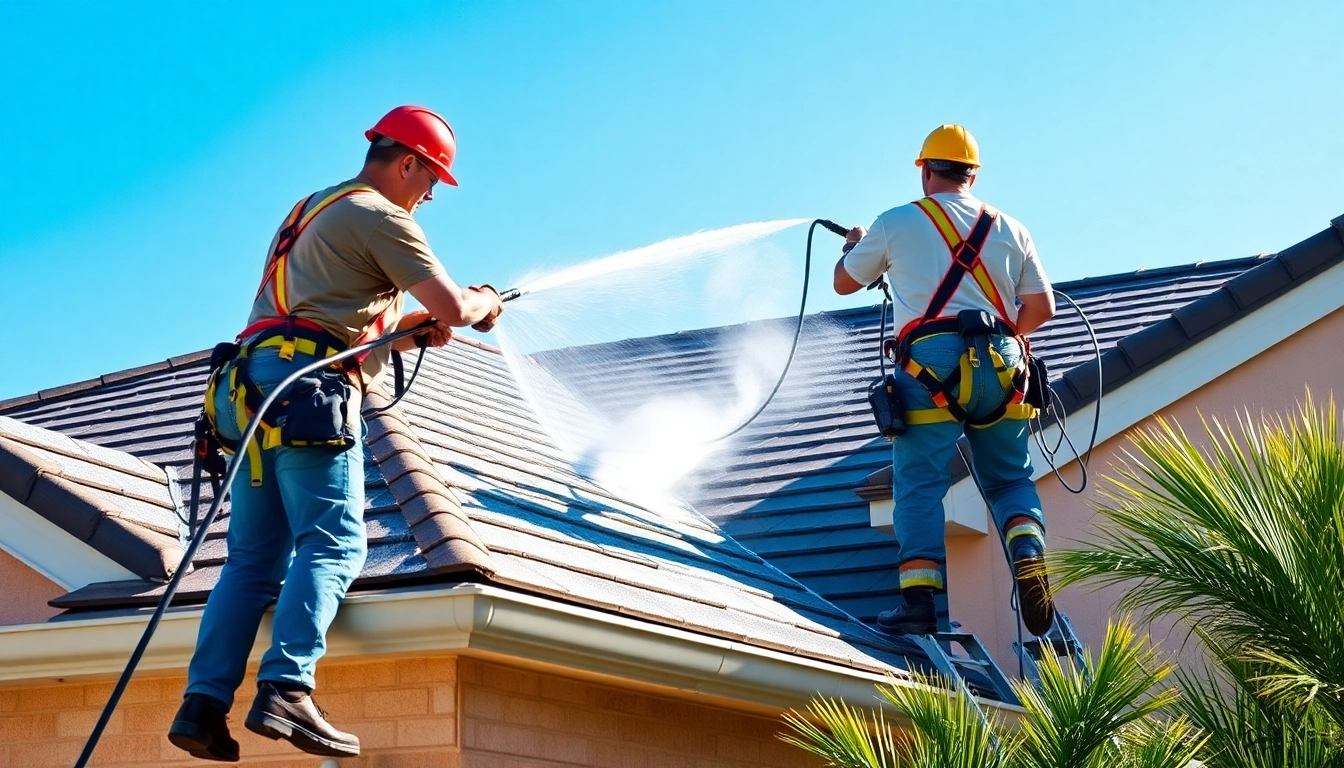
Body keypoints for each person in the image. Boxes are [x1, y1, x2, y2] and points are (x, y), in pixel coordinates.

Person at [168, 105, 505, 762]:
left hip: (253, 387)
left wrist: (405, 324)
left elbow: (327, 305)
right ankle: (287, 689)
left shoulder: (314, 207)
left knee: (251, 560)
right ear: (408, 162)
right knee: (333, 541)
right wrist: (483, 302)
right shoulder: (385, 216)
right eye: (432, 178)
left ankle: (203, 704)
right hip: (310, 388)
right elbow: (457, 308)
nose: (432, 194)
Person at [834, 124, 1056, 638]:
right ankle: (1027, 551)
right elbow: (1041, 308)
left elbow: (844, 283)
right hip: (1002, 369)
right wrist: (1005, 339)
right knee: (1009, 480)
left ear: (924, 170)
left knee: (919, 485)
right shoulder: (1011, 228)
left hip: (928, 368)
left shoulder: (896, 222)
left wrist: (857, 248)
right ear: (973, 173)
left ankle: (918, 604)